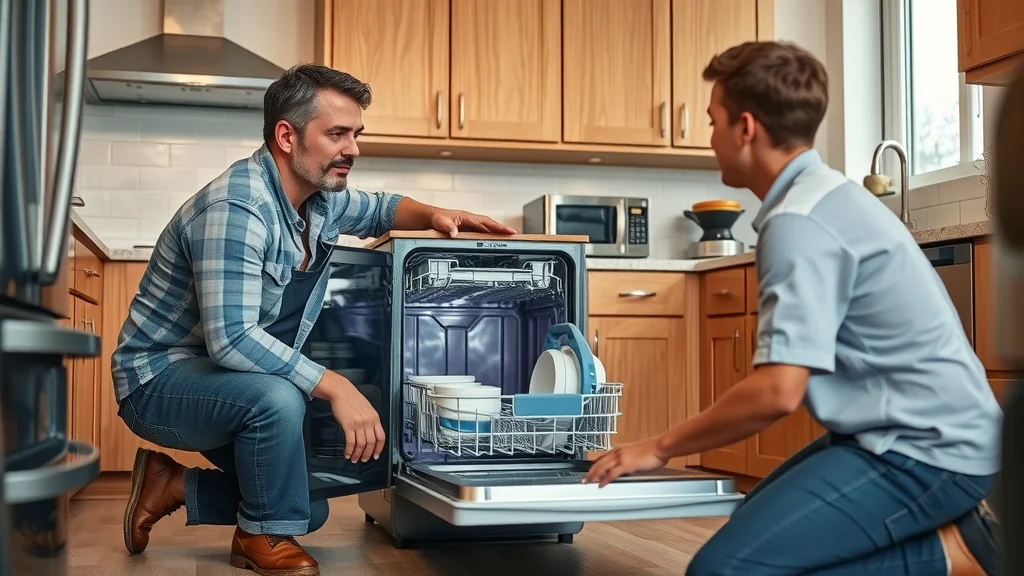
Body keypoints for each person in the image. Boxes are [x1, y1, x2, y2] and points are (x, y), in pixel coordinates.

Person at [583, 41, 1003, 575]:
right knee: (750, 533)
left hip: (928, 453)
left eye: (714, 120)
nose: (710, 137)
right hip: (899, 437)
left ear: (746, 128)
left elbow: (777, 392)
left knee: (724, 571)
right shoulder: (820, 196)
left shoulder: (800, 222)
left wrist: (659, 447)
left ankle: (957, 555)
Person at [111, 64, 514, 575]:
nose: (353, 149)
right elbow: (232, 340)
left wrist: (437, 213)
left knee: (308, 502)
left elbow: (382, 208)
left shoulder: (318, 199)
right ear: (287, 135)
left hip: (221, 381)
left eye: (356, 134)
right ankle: (262, 539)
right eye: (338, 134)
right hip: (158, 380)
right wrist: (337, 386)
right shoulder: (239, 206)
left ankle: (175, 488)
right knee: (280, 404)